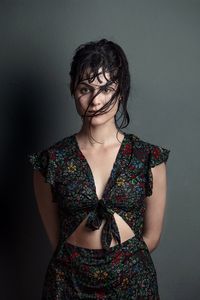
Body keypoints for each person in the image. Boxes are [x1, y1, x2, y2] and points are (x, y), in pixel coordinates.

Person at [28, 38, 170, 299]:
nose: (95, 100)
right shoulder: (51, 161)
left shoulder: (148, 158)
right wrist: (80, 266)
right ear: (73, 91)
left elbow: (152, 235)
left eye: (106, 88)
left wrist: (122, 266)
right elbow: (56, 240)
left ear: (121, 91)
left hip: (133, 281)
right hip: (67, 283)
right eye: (85, 89)